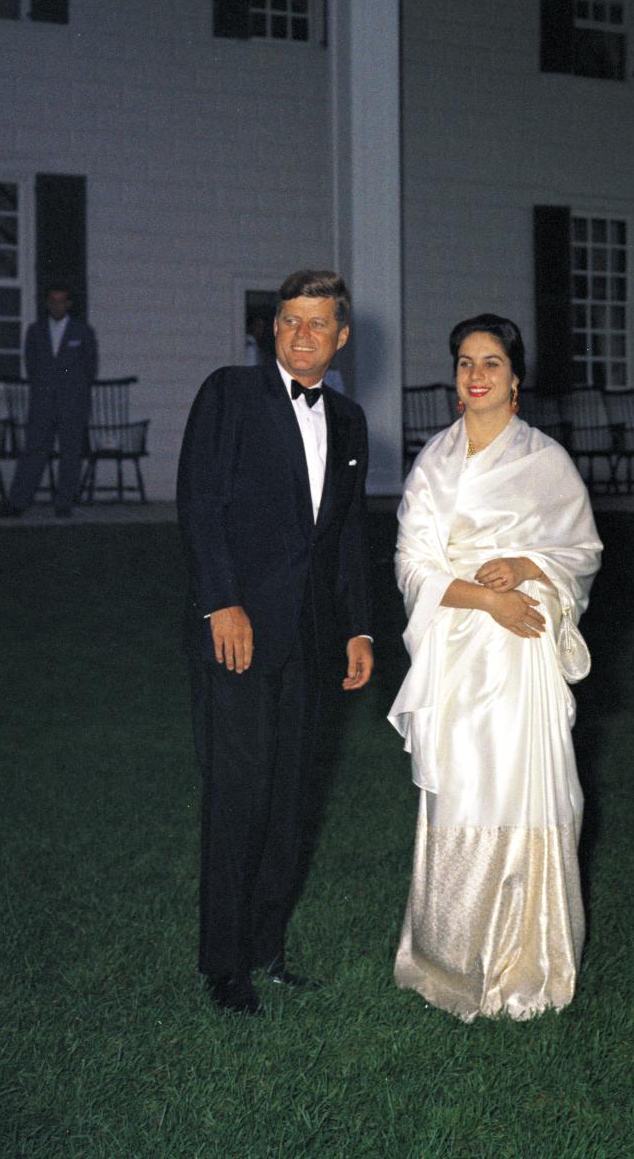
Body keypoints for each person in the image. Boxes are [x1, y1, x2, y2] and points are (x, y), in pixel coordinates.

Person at [389, 314, 602, 1020]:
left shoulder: (545, 461)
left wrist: (527, 565)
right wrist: (486, 598)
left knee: (521, 791)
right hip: (457, 649)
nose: (475, 375)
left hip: (520, 656)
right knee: (462, 789)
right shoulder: (434, 464)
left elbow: (582, 551)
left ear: (516, 378)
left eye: (490, 363)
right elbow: (411, 563)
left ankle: (526, 961)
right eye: (464, 363)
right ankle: (451, 955)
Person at [176, 269, 373, 1016]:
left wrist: (357, 624)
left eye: (317, 323)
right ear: (272, 329)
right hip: (239, 631)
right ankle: (225, 965)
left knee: (290, 797)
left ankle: (266, 949)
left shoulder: (350, 422)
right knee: (239, 794)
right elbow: (199, 500)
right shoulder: (229, 393)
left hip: (314, 639)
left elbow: (348, 531)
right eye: (288, 320)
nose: (299, 334)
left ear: (341, 336)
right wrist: (220, 603)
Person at [0, 284, 97, 519]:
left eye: (61, 301)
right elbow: (31, 365)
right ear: (47, 304)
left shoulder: (82, 332)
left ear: (68, 304)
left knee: (70, 454)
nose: (57, 305)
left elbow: (90, 368)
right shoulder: (36, 331)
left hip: (72, 403)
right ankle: (18, 502)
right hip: (43, 402)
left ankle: (64, 504)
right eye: (52, 300)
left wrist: (74, 393)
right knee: (34, 451)